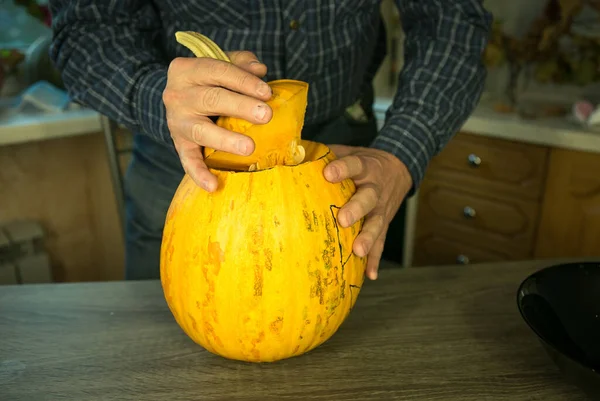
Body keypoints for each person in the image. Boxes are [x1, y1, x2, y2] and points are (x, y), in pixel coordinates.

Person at [48, 1, 492, 281]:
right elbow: (86, 28)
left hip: (345, 154)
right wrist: (152, 93)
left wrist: (401, 153)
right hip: (184, 158)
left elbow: (451, 18)